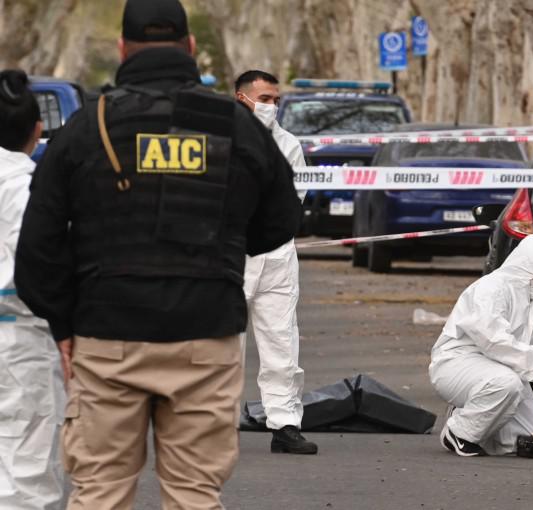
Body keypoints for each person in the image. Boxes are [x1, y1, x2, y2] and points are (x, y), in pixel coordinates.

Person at [14, 0, 301, 507]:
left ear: (122, 48)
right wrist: (221, 247)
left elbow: (38, 249)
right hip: (205, 334)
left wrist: (64, 327)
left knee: (100, 491)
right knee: (194, 493)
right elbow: (281, 219)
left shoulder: (88, 127)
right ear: (190, 47)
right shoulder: (236, 127)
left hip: (106, 338)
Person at [429, 235, 533, 456]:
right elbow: (494, 341)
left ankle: (471, 412)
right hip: (456, 363)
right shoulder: (489, 290)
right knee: (507, 384)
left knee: (525, 441)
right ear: (524, 270)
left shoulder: (531, 295)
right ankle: (459, 432)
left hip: (496, 368)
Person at [234, 70, 316, 454]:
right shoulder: (222, 140)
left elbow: (292, 203)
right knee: (225, 347)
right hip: (232, 256)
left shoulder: (289, 145)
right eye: (264, 99)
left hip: (279, 258)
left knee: (282, 344)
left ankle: (285, 425)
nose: (271, 107)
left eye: (275, 100)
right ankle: (216, 424)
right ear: (242, 98)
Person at [0, 69, 65, 510]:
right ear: (38, 130)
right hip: (21, 337)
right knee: (30, 472)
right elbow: (42, 268)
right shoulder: (28, 189)